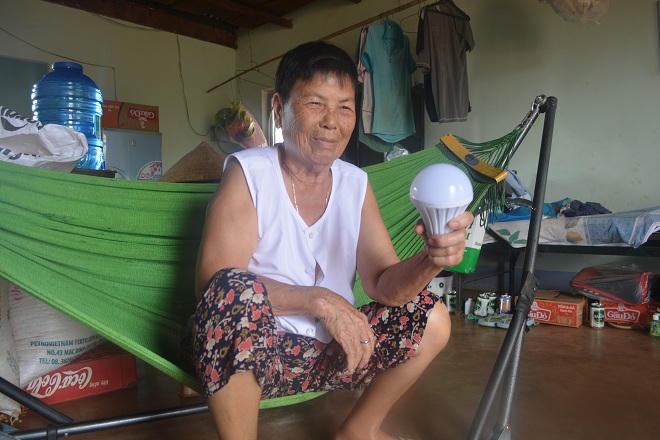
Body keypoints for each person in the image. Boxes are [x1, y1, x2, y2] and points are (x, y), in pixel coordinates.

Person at [192, 41, 473, 440]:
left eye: (344, 107)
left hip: (337, 352)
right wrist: (319, 301)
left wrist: (432, 258)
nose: (331, 122)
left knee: (433, 317)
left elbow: (384, 286)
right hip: (258, 356)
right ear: (279, 109)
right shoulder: (249, 174)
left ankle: (360, 430)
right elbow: (216, 287)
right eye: (315, 104)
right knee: (229, 292)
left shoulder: (355, 183)